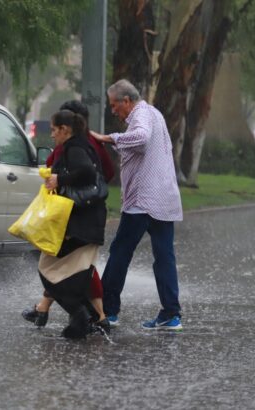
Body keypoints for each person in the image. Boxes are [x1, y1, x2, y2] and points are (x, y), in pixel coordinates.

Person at [89, 79, 184, 331]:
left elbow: (141, 139)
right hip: (164, 198)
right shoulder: (155, 113)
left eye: (114, 105)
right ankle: (171, 314)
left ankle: (108, 311)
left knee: (120, 252)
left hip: (143, 200)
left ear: (127, 101)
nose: (113, 111)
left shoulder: (141, 114)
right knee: (164, 257)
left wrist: (106, 138)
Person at [22, 100, 114, 329]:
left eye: (53, 130)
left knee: (59, 269)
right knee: (75, 270)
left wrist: (60, 179)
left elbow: (84, 171)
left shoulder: (74, 146)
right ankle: (89, 318)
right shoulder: (88, 143)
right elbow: (106, 172)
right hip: (85, 218)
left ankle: (84, 315)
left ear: (66, 127)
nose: (51, 135)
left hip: (79, 219)